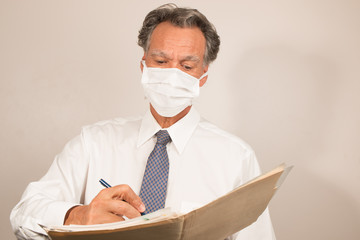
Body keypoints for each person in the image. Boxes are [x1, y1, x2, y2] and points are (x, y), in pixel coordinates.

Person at [10, 3, 276, 240]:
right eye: (161, 60)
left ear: (203, 75)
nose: (172, 74)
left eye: (186, 66)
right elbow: (24, 212)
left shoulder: (235, 157)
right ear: (144, 65)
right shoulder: (94, 142)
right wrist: (78, 216)